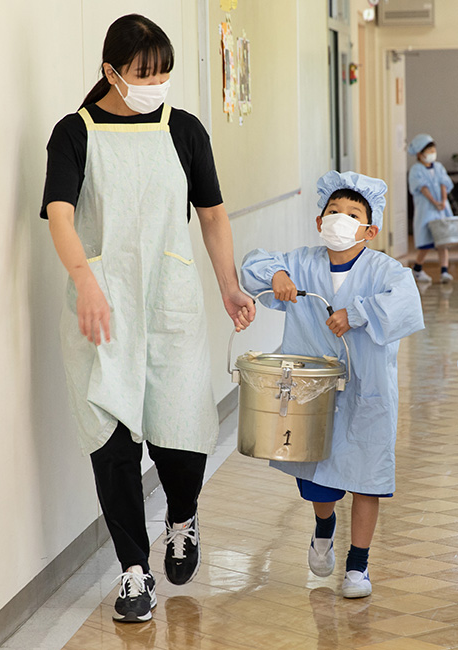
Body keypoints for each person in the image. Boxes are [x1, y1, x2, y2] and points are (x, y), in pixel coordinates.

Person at [41, 14, 254, 623]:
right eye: (145, 73)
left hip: (169, 305)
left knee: (180, 434)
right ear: (111, 72)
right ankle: (134, 570)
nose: (157, 84)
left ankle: (182, 518)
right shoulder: (74, 132)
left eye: (164, 73)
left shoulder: (183, 129)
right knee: (111, 446)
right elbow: (59, 213)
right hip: (101, 311)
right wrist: (85, 282)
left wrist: (229, 286)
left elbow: (212, 215)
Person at [241, 171, 424, 598]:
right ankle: (324, 525)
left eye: (353, 214)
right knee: (317, 479)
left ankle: (358, 565)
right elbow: (253, 265)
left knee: (366, 478)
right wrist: (277, 274)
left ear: (370, 230)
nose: (340, 219)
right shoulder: (302, 263)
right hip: (314, 396)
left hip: (368, 392)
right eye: (334, 211)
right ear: (319, 220)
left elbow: (405, 304)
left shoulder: (385, 270)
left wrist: (356, 314)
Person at [408, 133, 454, 284]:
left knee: (443, 241)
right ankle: (417, 269)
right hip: (426, 210)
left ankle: (444, 272)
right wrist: (434, 202)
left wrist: (443, 201)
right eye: (429, 151)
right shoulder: (416, 170)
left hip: (441, 209)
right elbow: (423, 188)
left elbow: (443, 184)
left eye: (433, 150)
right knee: (426, 242)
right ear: (419, 153)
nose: (432, 153)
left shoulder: (439, 167)